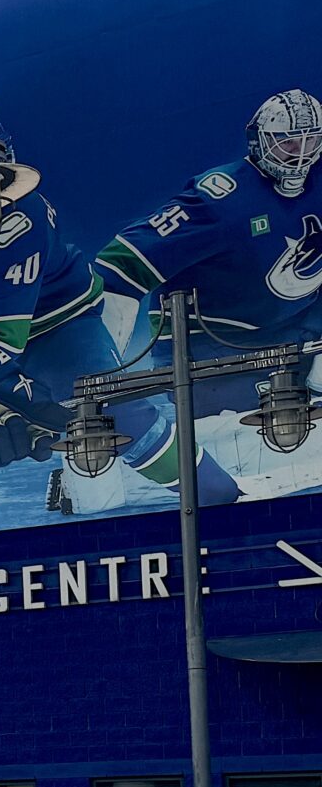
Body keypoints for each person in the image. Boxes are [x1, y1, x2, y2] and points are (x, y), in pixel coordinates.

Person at [92, 85, 322, 503]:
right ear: (259, 140)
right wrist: (101, 372)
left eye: (311, 140)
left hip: (295, 335)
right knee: (255, 452)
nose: (300, 152)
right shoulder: (222, 198)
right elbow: (120, 263)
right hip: (217, 354)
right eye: (288, 140)